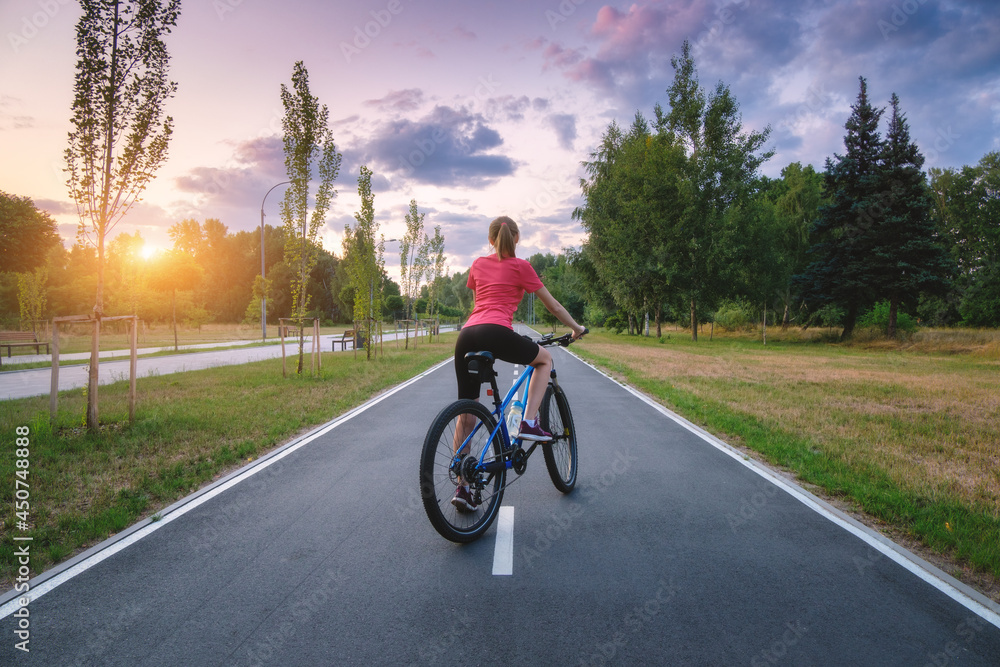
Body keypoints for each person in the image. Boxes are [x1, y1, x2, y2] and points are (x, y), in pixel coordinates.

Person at [451, 215, 586, 511]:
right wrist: (576, 328)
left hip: (467, 335)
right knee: (544, 359)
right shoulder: (521, 266)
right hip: (496, 331)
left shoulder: (477, 264)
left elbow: (480, 302)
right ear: (517, 238)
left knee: (467, 413)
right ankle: (528, 421)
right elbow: (554, 305)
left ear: (491, 239)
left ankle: (462, 487)